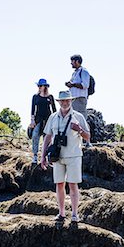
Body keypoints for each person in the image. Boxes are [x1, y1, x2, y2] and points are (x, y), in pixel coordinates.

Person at [41, 90, 90, 223]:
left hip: (74, 155)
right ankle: (61, 213)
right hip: (57, 156)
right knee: (59, 184)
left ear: (71, 101)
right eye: (62, 101)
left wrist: (79, 129)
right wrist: (42, 156)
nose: (65, 103)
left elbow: (88, 137)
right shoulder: (53, 117)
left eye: (67, 100)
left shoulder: (78, 117)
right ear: (58, 102)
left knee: (73, 185)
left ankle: (74, 214)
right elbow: (47, 137)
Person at [30, 78, 56, 164]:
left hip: (48, 120)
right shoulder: (35, 97)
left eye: (42, 85)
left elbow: (54, 110)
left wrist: (55, 121)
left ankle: (46, 156)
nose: (40, 87)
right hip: (38, 120)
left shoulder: (50, 97)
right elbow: (33, 109)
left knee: (47, 139)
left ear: (46, 86)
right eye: (39, 85)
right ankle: (35, 156)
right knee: (35, 136)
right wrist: (32, 121)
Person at [65, 54, 90, 120]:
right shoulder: (75, 73)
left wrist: (73, 85)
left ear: (77, 61)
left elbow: (85, 85)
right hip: (73, 98)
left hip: (80, 98)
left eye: (72, 61)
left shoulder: (84, 71)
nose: (71, 63)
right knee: (74, 118)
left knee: (80, 118)